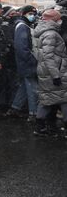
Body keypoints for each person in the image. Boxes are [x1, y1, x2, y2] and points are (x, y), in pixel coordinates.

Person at [34, 9, 67, 138]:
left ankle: (40, 127)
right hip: (55, 72)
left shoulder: (44, 31)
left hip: (47, 71)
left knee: (47, 99)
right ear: (54, 20)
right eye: (59, 19)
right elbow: (48, 56)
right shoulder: (51, 34)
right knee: (63, 99)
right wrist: (56, 75)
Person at [10, 5, 39, 120]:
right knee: (33, 89)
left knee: (24, 87)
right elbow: (22, 48)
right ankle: (34, 114)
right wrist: (33, 61)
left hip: (24, 63)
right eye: (30, 14)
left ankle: (15, 108)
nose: (32, 16)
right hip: (27, 63)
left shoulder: (25, 25)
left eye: (33, 14)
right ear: (24, 14)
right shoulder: (22, 26)